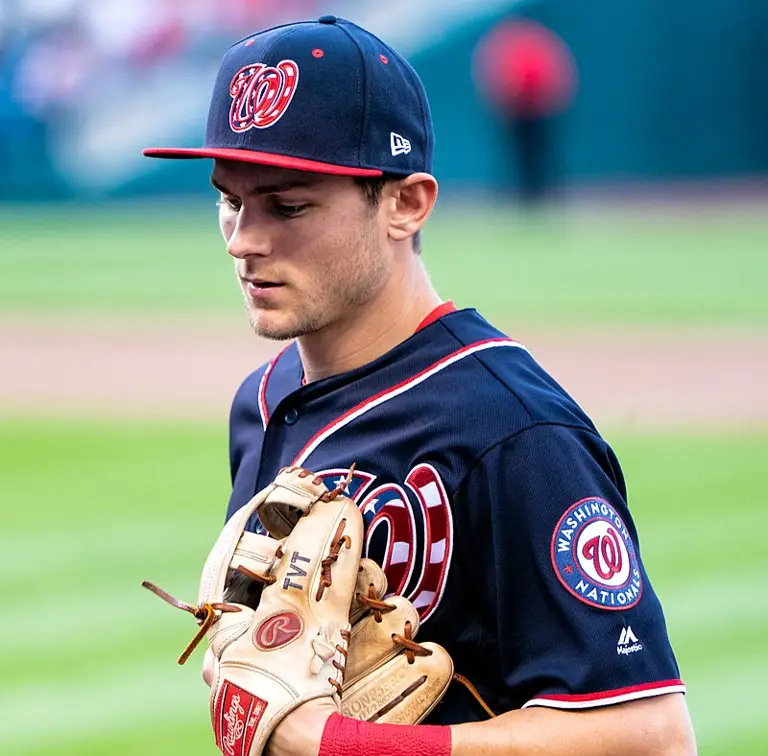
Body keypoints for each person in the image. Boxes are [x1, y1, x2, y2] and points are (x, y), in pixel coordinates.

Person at [144, 15, 696, 756]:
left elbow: (653, 736)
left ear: (405, 204)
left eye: (288, 205)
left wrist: (340, 744)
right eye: (230, 201)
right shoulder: (263, 402)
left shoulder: (514, 431)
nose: (244, 239)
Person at [473, 18, 576, 204]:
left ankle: (545, 191)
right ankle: (523, 192)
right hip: (517, 113)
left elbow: (554, 80)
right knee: (520, 156)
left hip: (538, 112)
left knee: (542, 155)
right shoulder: (511, 48)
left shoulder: (534, 47)